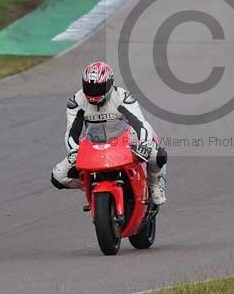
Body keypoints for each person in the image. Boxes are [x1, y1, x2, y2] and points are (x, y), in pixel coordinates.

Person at [51, 61, 167, 205]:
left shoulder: (122, 97)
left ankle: (154, 184)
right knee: (58, 176)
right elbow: (71, 132)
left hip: (124, 141)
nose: (93, 92)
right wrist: (75, 151)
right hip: (93, 144)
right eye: (90, 87)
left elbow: (141, 123)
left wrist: (144, 143)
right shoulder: (77, 102)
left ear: (109, 85)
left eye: (98, 87)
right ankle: (91, 187)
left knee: (157, 154)